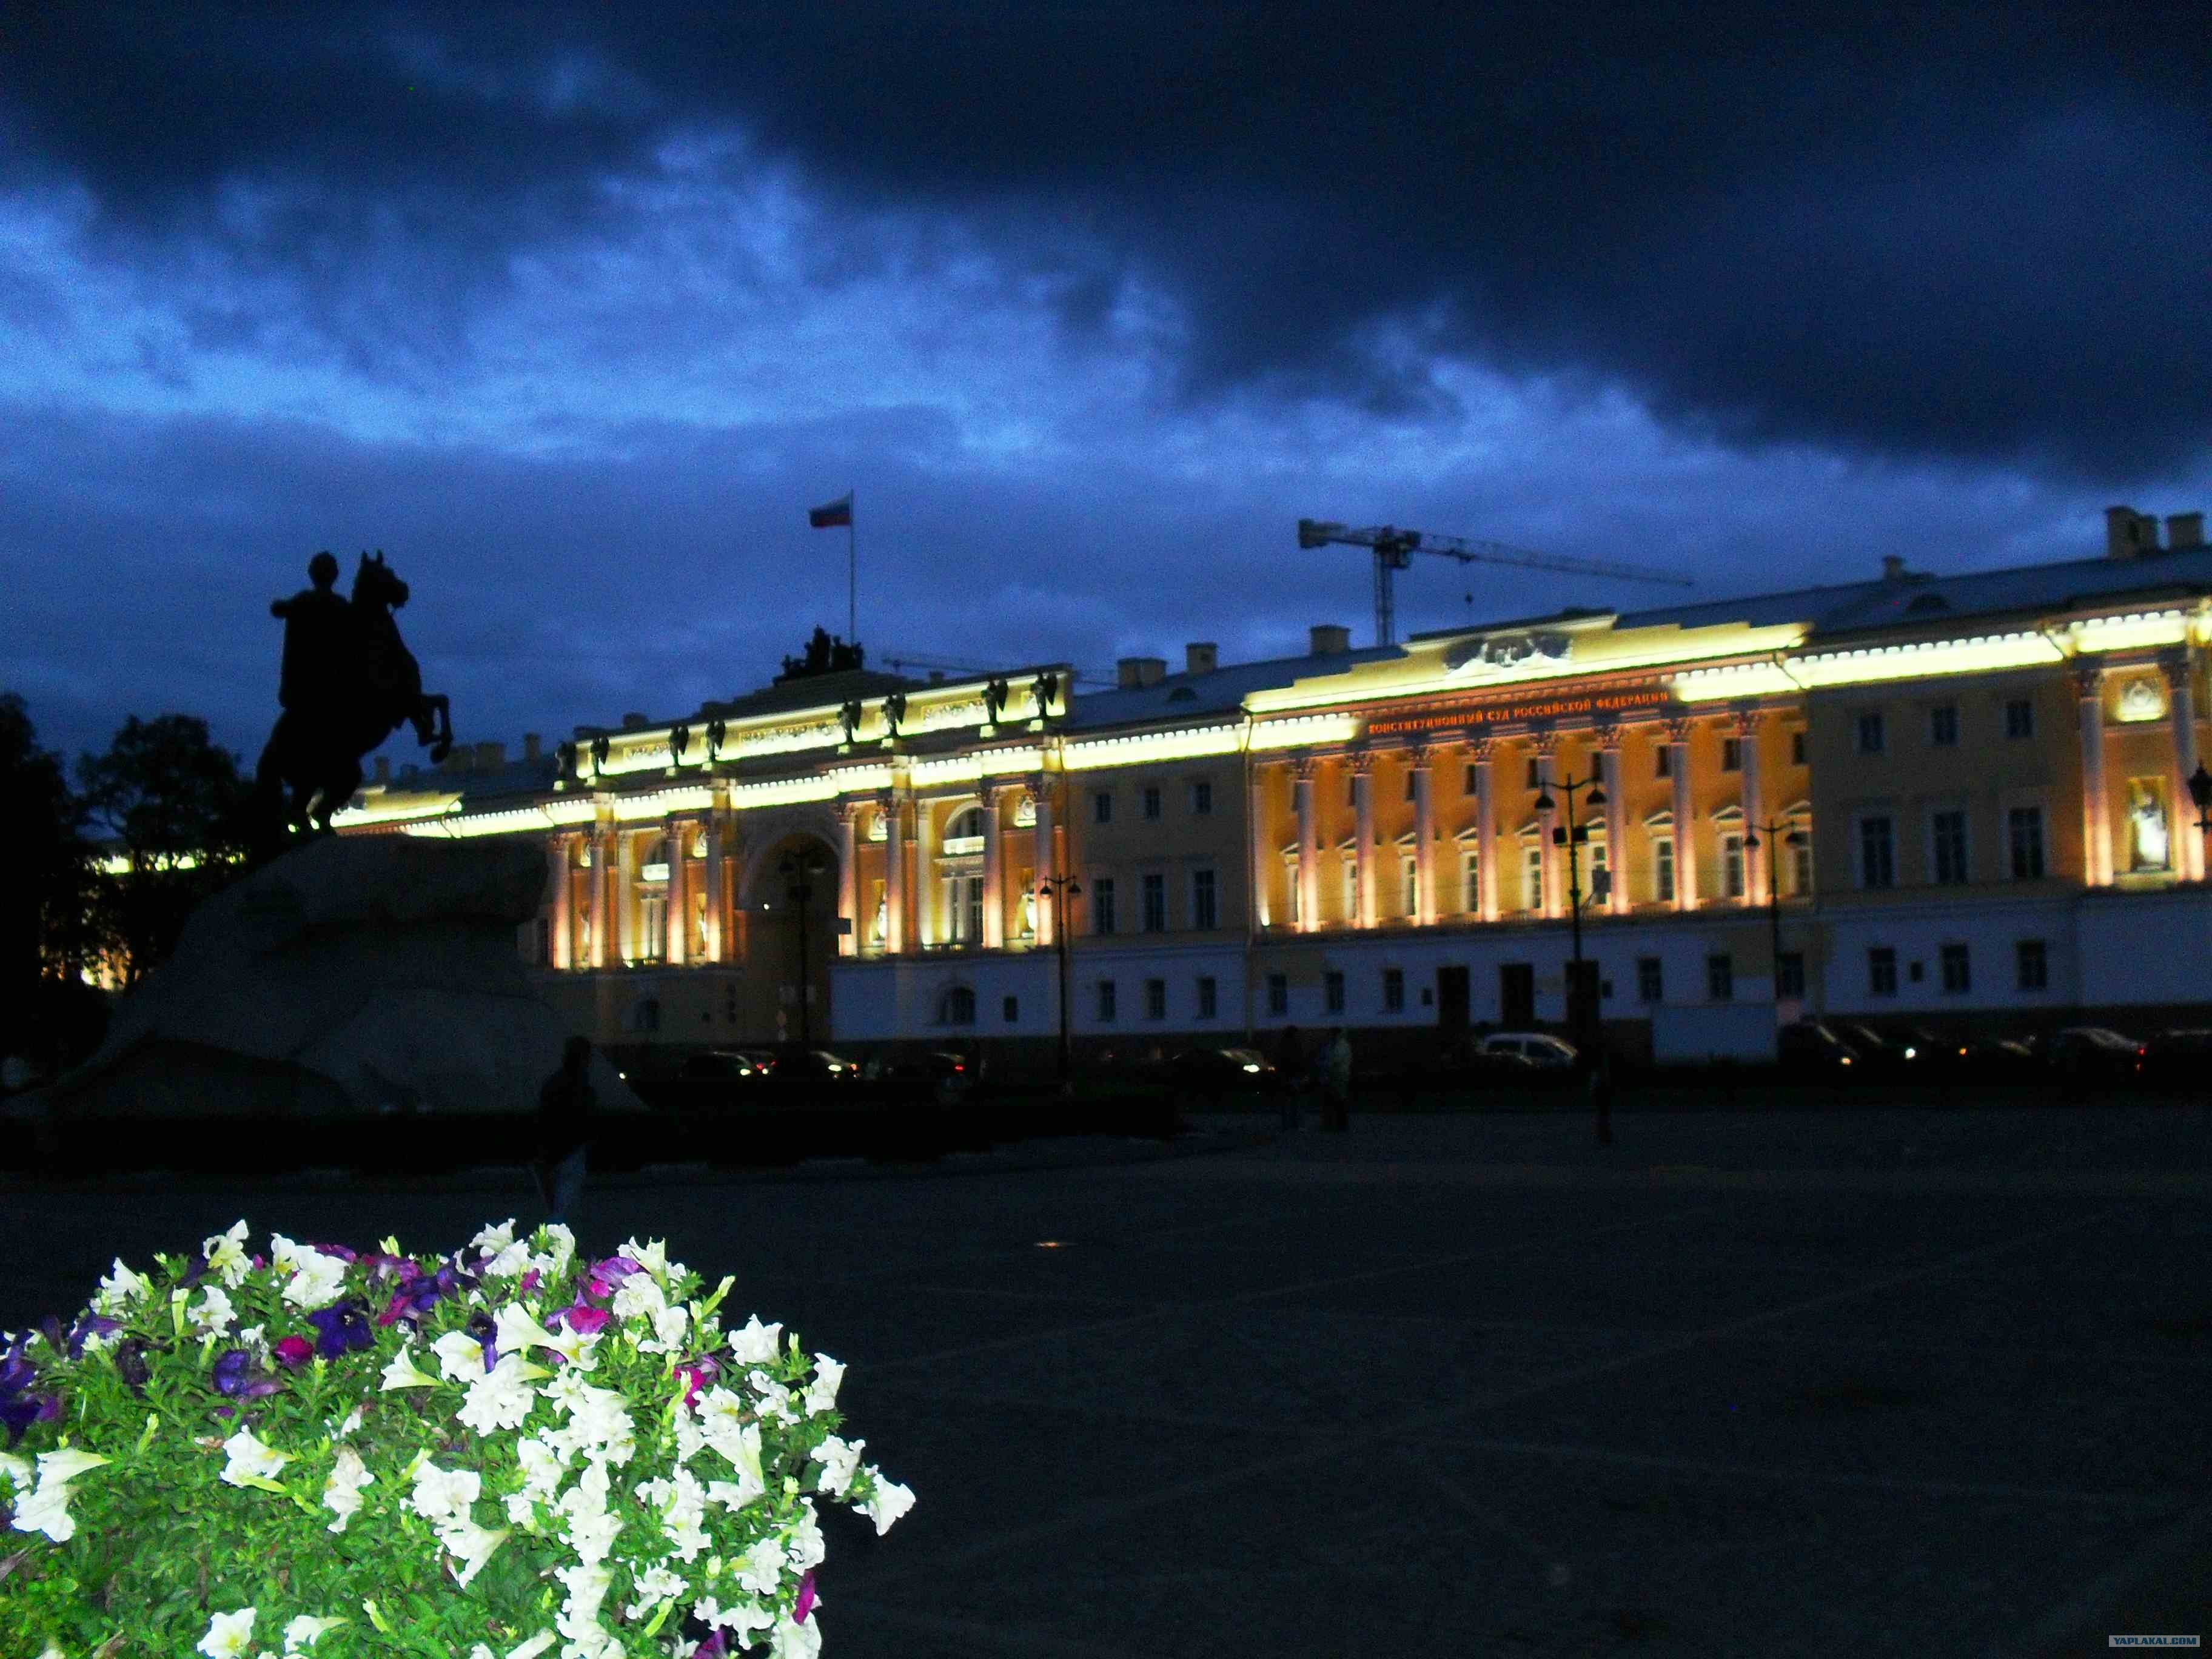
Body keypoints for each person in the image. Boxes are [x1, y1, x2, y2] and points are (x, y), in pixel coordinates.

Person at [269, 551, 351, 723]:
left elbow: (278, 609)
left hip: (316, 689)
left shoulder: (308, 601)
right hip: (314, 688)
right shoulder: (335, 604)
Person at [535, 1034, 596, 1223]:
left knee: (557, 1205)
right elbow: (584, 1118)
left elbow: (544, 1119)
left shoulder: (556, 1083)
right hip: (571, 1151)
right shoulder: (580, 1086)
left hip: (557, 1151)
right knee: (564, 1207)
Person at [1319, 1027, 1353, 1132]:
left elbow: (1334, 1060)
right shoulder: (1333, 1045)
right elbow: (1325, 1058)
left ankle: (1340, 1124)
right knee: (1332, 1100)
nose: (1332, 1035)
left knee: (1339, 1101)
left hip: (1339, 1076)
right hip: (1333, 1076)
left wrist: (1323, 1065)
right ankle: (1331, 1124)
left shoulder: (1342, 1046)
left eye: (1333, 1033)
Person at [1275, 1024, 1306, 1131]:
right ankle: (1295, 1124)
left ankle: (1287, 1124)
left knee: (1287, 1101)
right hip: (1293, 1076)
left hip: (1286, 1076)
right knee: (1295, 1101)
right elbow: (1298, 1061)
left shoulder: (1283, 1045)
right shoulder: (1295, 1045)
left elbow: (1279, 1060)